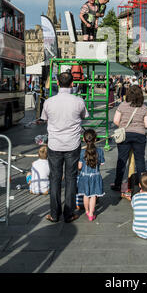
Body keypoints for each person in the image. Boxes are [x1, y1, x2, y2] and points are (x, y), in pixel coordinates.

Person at [41, 72, 89, 223]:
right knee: (71, 178)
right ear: (72, 83)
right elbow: (84, 116)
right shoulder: (79, 101)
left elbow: (44, 118)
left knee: (55, 178)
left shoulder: (49, 102)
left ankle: (54, 214)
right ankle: (69, 213)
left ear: (57, 82)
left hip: (54, 144)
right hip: (72, 144)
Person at [111, 85, 147, 191]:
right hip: (139, 135)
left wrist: (123, 125)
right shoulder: (143, 107)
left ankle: (117, 183)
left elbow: (115, 120)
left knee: (122, 160)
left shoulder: (123, 105)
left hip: (125, 135)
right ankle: (142, 184)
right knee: (140, 160)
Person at [77, 129, 105, 221]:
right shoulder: (100, 151)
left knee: (86, 195)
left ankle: (87, 211)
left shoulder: (82, 152)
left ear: (84, 140)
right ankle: (91, 214)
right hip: (95, 176)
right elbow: (101, 163)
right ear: (95, 139)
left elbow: (80, 167)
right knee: (93, 195)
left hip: (84, 176)